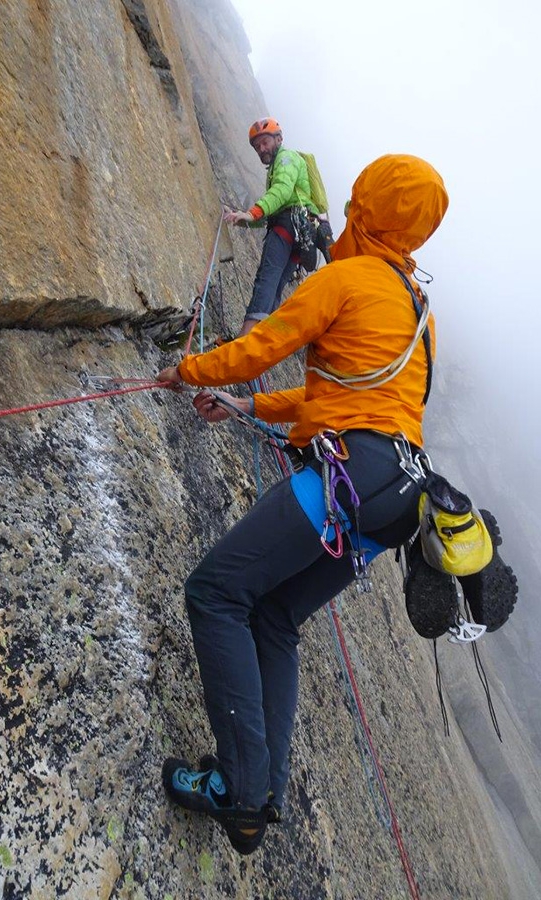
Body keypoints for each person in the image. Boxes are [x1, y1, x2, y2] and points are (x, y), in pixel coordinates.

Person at [156, 154, 451, 855]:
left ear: (364, 205)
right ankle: (265, 789)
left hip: (351, 477)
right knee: (276, 617)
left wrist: (185, 372)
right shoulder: (419, 315)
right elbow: (354, 403)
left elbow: (260, 346)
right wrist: (247, 407)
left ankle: (238, 789)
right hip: (398, 498)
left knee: (216, 591)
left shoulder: (343, 279)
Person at [224, 117, 331, 337]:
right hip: (301, 236)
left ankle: (246, 337)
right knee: (276, 286)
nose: (261, 148)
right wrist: (245, 219)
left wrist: (252, 212)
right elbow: (275, 207)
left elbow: (281, 191)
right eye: (257, 146)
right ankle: (261, 338)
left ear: (279, 138)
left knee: (267, 278)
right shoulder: (278, 166)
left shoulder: (286, 159)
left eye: (265, 142)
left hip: (288, 227)